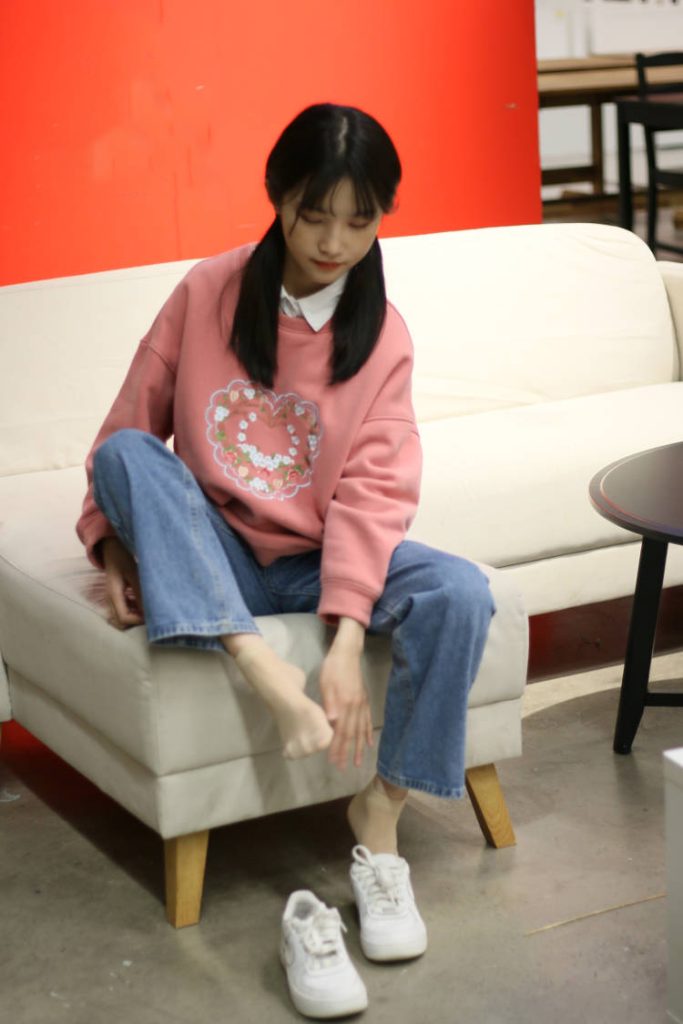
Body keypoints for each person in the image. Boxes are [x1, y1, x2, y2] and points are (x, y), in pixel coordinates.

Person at [76, 102, 494, 1018]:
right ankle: (258, 665)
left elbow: (373, 494)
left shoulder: (382, 334)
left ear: (382, 217)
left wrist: (345, 635)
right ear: (277, 198)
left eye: (359, 220)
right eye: (313, 215)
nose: (334, 242)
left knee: (460, 591)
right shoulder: (209, 290)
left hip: (314, 558)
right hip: (220, 549)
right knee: (127, 460)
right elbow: (125, 437)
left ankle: (380, 817)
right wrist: (113, 542)